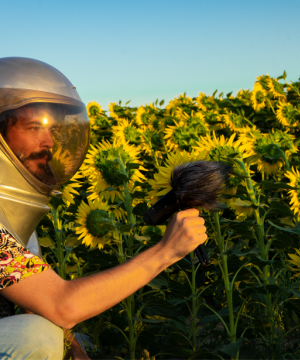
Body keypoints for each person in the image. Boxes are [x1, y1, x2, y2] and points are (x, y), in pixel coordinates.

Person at [0, 57, 207, 359]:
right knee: (36, 337)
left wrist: (74, 350)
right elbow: (62, 305)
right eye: (34, 127)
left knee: (67, 336)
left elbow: (36, 299)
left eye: (51, 129)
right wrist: (166, 251)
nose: (49, 142)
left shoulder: (13, 217)